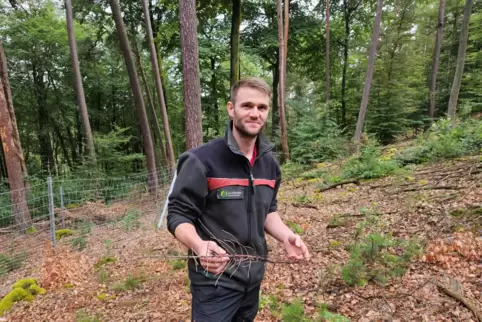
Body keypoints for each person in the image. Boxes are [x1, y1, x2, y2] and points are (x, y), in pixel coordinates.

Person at [167, 77, 310, 322]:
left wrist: (287, 236)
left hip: (253, 277)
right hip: (215, 281)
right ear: (231, 109)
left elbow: (268, 211)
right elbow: (178, 215)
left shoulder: (269, 165)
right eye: (247, 106)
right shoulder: (201, 161)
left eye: (262, 108)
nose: (255, 113)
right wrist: (199, 246)